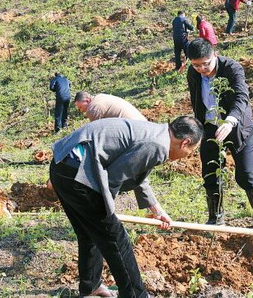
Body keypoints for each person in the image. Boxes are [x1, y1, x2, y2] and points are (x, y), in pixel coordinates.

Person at [50, 116, 203, 298]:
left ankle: (91, 286)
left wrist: (157, 210)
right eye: (192, 151)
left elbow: (137, 172)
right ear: (185, 142)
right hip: (79, 174)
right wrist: (108, 214)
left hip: (63, 167)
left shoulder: (156, 132)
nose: (189, 156)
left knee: (89, 232)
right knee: (115, 238)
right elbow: (113, 178)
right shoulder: (156, 145)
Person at [186, 39, 253, 229]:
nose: (202, 68)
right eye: (196, 65)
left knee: (246, 174)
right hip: (210, 128)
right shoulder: (193, 73)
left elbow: (241, 96)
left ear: (214, 54)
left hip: (237, 126)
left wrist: (230, 121)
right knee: (210, 174)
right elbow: (196, 100)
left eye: (206, 63)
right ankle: (216, 217)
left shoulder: (232, 68)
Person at [74, 92, 146, 121]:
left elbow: (96, 132)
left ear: (87, 100)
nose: (81, 110)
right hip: (143, 122)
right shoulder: (100, 96)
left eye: (80, 107)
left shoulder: (93, 108)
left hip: (134, 129)